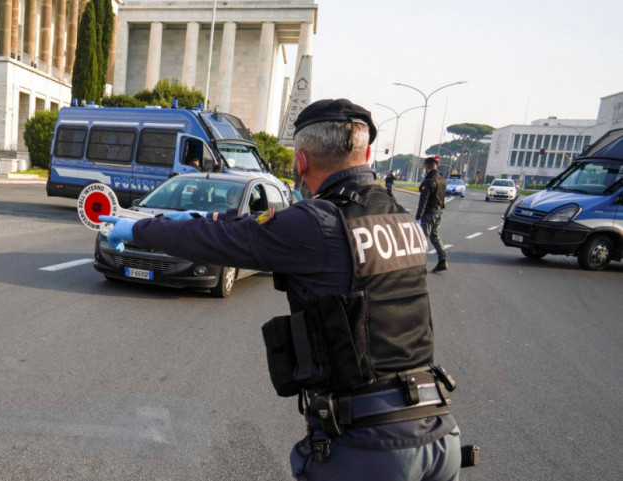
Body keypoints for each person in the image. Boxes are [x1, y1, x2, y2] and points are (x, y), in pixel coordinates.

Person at [100, 99, 462, 480]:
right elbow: (242, 223)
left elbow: (224, 240)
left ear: (301, 163)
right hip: (437, 432)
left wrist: (139, 228)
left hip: (372, 448)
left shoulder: (319, 223)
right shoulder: (399, 218)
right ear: (367, 153)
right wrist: (183, 216)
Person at [416, 156, 448, 273]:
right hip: (438, 212)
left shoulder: (429, 181)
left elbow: (423, 201)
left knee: (423, 239)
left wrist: (418, 216)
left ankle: (419, 266)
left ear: (427, 167)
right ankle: (442, 259)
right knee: (435, 237)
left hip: (429, 213)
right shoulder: (442, 180)